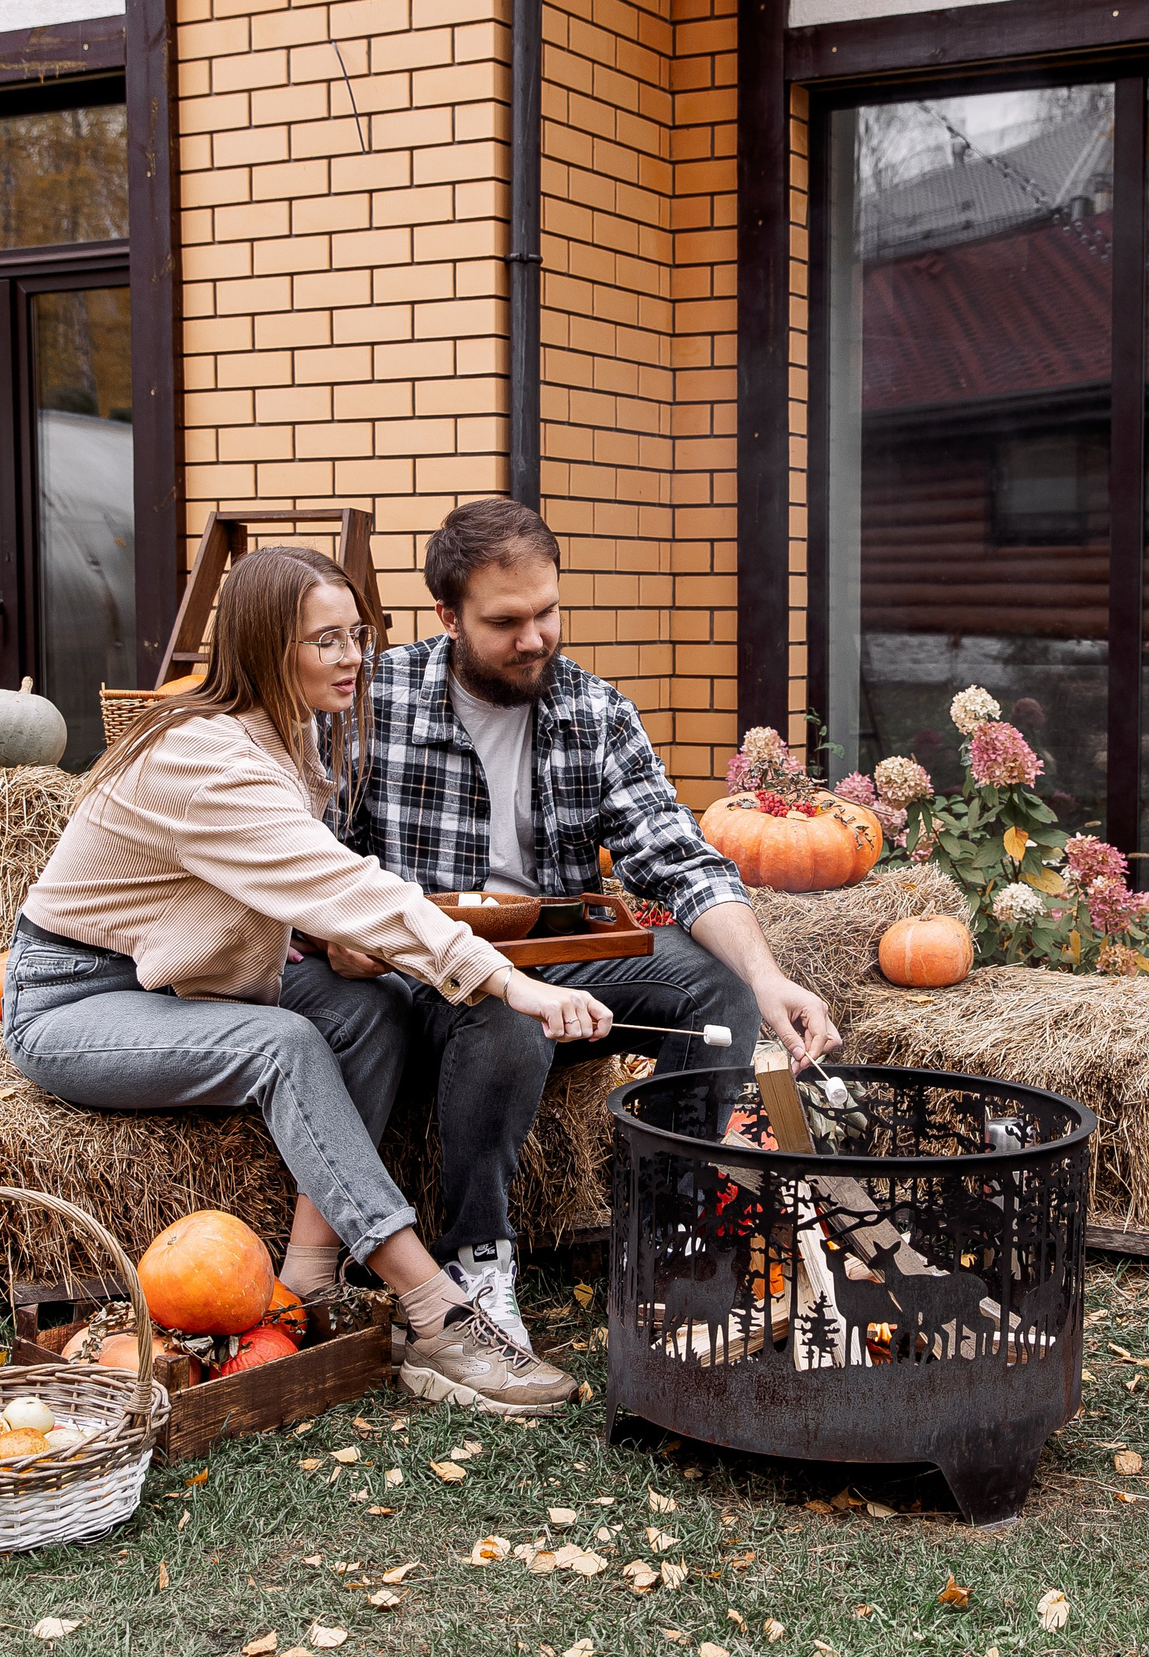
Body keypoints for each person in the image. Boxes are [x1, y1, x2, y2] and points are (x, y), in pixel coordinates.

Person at [1, 545, 609, 1416]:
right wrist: (511, 984)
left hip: (162, 978)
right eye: (327, 640)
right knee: (283, 1045)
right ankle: (436, 1311)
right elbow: (345, 885)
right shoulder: (205, 758)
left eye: (358, 634)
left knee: (373, 1007)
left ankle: (308, 1279)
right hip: (73, 999)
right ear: (264, 647)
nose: (353, 657)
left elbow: (276, 887)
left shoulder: (285, 734)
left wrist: (302, 938)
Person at [342, 497, 841, 1347]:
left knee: (717, 986)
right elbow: (321, 864)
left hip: (563, 959)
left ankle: (668, 1236)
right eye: (505, 622)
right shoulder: (372, 702)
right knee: (504, 1015)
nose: (534, 638)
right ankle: (477, 1258)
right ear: (447, 617)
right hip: (427, 973)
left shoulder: (595, 710)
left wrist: (767, 978)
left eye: (547, 612)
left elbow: (680, 860)